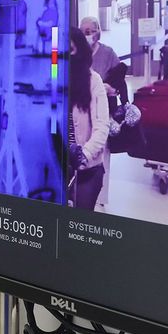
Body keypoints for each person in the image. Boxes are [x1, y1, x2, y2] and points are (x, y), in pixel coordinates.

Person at [66, 27, 110, 211]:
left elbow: (102, 127)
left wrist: (84, 154)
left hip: (87, 168)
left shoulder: (94, 81)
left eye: (70, 50)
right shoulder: (53, 78)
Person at [80, 17, 119, 211]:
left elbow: (119, 83)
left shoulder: (108, 54)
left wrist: (108, 88)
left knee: (102, 152)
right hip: (81, 110)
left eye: (90, 31)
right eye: (83, 31)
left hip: (104, 109)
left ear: (97, 31)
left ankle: (101, 197)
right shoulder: (77, 53)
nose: (87, 35)